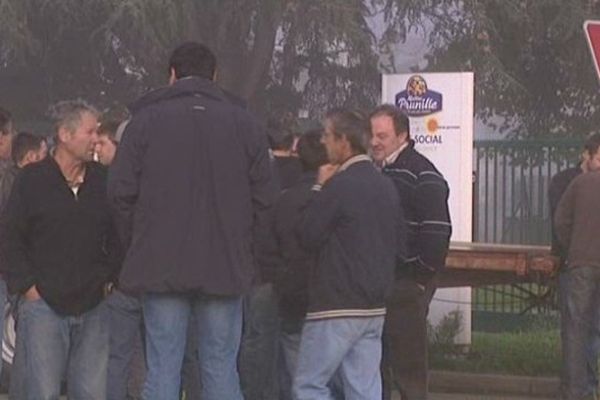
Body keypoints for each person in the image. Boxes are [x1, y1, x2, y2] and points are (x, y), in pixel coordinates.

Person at [107, 41, 276, 400]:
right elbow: (265, 200)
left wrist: (136, 247)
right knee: (220, 367)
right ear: (215, 76)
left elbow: (120, 195)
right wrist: (249, 257)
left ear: (171, 75)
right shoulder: (245, 124)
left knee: (163, 367)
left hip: (159, 265)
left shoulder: (143, 123)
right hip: (226, 267)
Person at [0, 99, 120, 399]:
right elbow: (11, 236)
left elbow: (119, 233)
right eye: (90, 131)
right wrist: (27, 288)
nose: (96, 138)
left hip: (94, 306)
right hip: (43, 307)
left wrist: (110, 279)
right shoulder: (32, 180)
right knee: (41, 392)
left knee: (91, 393)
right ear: (65, 135)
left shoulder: (103, 181)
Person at [292, 109, 406, 400]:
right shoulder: (385, 185)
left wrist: (318, 186)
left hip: (335, 304)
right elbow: (400, 243)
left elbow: (307, 234)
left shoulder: (338, 186)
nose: (324, 142)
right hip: (373, 306)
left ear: (344, 141)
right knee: (363, 389)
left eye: (328, 136)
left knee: (309, 385)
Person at [369, 104, 451, 400]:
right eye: (372, 135)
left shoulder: (423, 173)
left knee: (409, 366)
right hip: (382, 279)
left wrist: (418, 277)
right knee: (380, 363)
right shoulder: (379, 171)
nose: (375, 141)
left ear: (402, 135)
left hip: (405, 282)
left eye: (383, 135)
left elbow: (438, 230)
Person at [257, 130, 327, 400]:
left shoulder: (284, 201)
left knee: (294, 370)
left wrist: (281, 280)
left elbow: (268, 250)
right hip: (331, 297)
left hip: (292, 296)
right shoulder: (337, 197)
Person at [0, 131, 47, 400]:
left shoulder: (9, 180)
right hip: (16, 272)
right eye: (42, 156)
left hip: (11, 271)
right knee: (27, 345)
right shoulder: (21, 186)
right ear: (30, 157)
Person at [553, 133, 600, 400]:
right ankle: (591, 387)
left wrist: (574, 246)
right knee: (595, 326)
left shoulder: (580, 183)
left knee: (575, 328)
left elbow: (560, 220)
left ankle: (574, 391)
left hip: (581, 264)